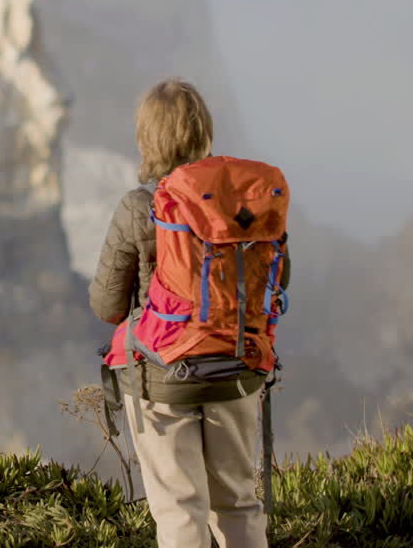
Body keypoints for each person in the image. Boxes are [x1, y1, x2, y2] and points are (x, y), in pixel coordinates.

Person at [89, 79, 279, 548]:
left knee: (180, 510)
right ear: (205, 135)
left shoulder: (140, 207)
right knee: (237, 503)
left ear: (146, 140)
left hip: (162, 378)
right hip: (235, 365)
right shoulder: (242, 207)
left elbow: (107, 306)